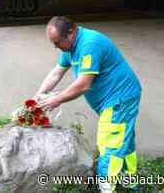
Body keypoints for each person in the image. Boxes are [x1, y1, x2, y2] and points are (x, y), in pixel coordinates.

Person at [35, 16, 142, 193]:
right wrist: (38, 96)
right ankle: (131, 182)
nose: (56, 47)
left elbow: (84, 84)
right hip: (114, 99)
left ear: (71, 32)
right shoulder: (70, 46)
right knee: (124, 141)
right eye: (53, 43)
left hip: (119, 100)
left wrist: (56, 99)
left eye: (57, 42)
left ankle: (107, 189)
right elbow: (57, 73)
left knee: (110, 148)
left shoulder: (90, 44)